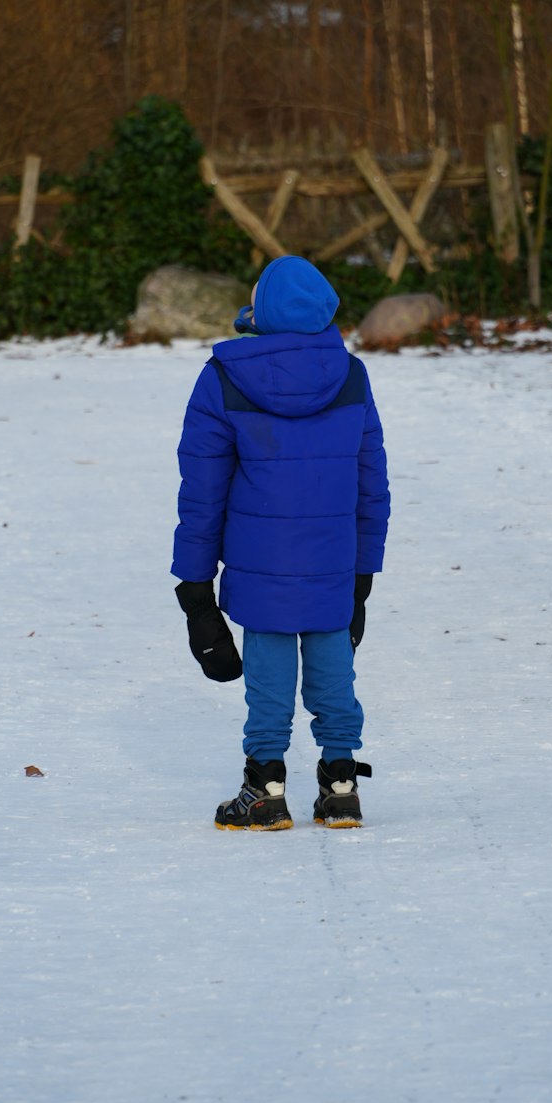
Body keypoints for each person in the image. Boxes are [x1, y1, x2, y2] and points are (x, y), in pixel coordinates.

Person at [171, 255, 390, 831]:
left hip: (259, 560)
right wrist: (364, 571)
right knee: (333, 665)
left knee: (268, 671)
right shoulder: (351, 376)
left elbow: (202, 488)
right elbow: (372, 480)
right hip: (333, 557)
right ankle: (340, 783)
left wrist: (195, 587)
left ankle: (265, 787)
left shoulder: (223, 376)